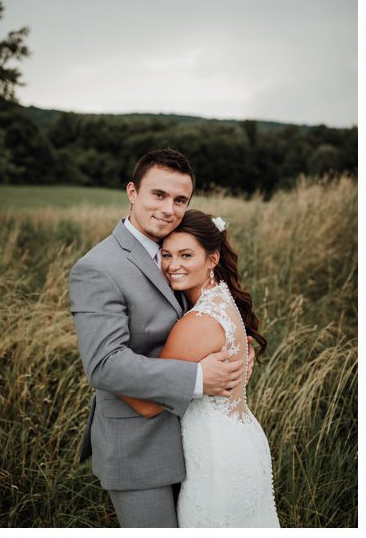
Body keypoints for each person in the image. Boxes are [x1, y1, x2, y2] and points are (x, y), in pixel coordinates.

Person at [70, 149, 245, 527]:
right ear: (132, 192)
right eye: (159, 195)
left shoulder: (176, 252)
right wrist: (198, 378)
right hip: (137, 446)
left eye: (180, 200)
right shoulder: (98, 267)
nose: (168, 209)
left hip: (193, 442)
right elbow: (104, 365)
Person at [119, 210, 279, 527]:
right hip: (241, 439)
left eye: (186, 255)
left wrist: (106, 367)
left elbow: (148, 403)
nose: (172, 265)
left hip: (215, 454)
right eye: (166, 254)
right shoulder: (223, 300)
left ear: (212, 258)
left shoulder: (198, 322)